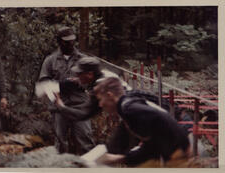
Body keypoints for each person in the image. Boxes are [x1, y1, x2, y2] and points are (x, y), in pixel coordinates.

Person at [93, 77, 190, 167]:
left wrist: (122, 158)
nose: (100, 105)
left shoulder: (129, 109)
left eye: (100, 99)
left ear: (110, 95)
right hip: (172, 152)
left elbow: (163, 120)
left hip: (176, 155)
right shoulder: (127, 105)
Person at [38, 26, 95, 154]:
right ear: (59, 41)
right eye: (66, 41)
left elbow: (93, 82)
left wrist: (81, 82)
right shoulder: (50, 60)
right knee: (60, 144)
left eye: (72, 40)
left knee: (86, 140)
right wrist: (61, 85)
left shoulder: (83, 60)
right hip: (59, 107)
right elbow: (43, 84)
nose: (70, 44)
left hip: (80, 106)